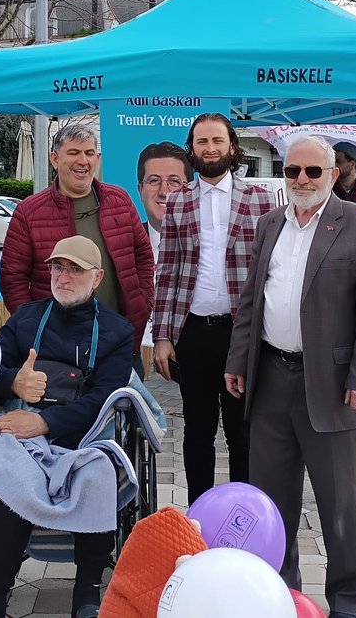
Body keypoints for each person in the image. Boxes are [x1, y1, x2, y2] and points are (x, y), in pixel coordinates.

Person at [225, 135, 356, 618]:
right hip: (271, 378)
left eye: (313, 172)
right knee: (272, 505)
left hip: (337, 388)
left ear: (333, 174)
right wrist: (238, 361)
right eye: (293, 171)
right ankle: (281, 595)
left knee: (340, 507)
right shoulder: (269, 223)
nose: (301, 180)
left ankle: (347, 603)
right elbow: (252, 301)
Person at [0, 235, 134, 618]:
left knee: (99, 474)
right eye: (57, 267)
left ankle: (86, 596)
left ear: (96, 278)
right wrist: (13, 382)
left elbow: (103, 399)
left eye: (75, 270)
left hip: (85, 435)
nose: (63, 277)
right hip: (20, 431)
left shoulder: (117, 332)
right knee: (15, 479)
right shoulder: (25, 320)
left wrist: (45, 421)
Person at [151, 113, 274, 504]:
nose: (210, 148)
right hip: (194, 334)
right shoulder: (178, 201)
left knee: (243, 433)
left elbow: (273, 271)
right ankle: (200, 513)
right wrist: (163, 336)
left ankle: (245, 514)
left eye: (217, 141)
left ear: (231, 147)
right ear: (193, 149)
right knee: (198, 432)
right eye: (202, 141)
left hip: (242, 334)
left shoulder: (260, 201)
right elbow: (166, 270)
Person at [1, 123, 155, 376]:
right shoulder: (29, 212)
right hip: (56, 353)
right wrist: (35, 329)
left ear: (97, 158)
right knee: (64, 415)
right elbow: (13, 280)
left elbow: (143, 259)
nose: (82, 161)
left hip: (118, 341)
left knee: (125, 411)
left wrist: (142, 305)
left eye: (89, 153)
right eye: (73, 152)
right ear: (55, 159)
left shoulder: (120, 200)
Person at [134, 140, 193, 255]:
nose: (164, 192)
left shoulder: (207, 244)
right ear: (141, 191)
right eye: (154, 181)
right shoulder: (123, 246)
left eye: (174, 181)